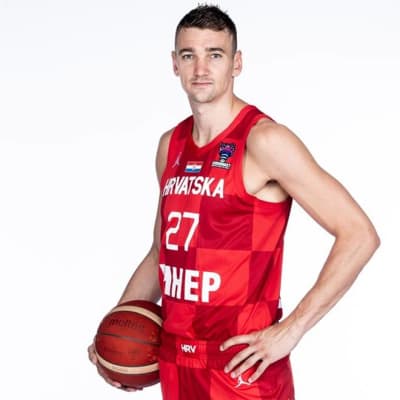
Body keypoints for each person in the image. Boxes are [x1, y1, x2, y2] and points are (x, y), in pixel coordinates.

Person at [88, 5, 380, 399]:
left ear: (236, 63)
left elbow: (359, 235)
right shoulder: (170, 146)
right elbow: (162, 253)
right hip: (176, 362)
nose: (200, 68)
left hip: (242, 367)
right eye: (189, 55)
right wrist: (115, 329)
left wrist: (291, 330)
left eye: (215, 54)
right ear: (174, 64)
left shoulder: (264, 141)